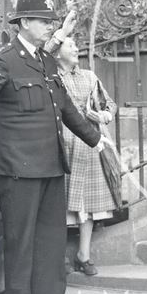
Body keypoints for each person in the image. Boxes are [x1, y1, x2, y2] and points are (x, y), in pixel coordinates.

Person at [0, 0, 106, 294]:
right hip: (18, 169)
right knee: (21, 242)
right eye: (44, 21)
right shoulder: (1, 60)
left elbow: (65, 108)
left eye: (52, 20)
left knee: (51, 239)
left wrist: (95, 139)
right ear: (24, 22)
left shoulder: (45, 61)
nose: (51, 26)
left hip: (50, 165)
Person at [52, 36, 118, 276]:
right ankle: (58, 258)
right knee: (58, 204)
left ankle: (84, 255)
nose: (76, 48)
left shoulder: (90, 77)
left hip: (90, 145)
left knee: (88, 205)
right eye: (70, 45)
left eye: (76, 44)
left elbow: (109, 104)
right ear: (57, 52)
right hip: (63, 144)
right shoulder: (53, 77)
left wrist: (105, 116)